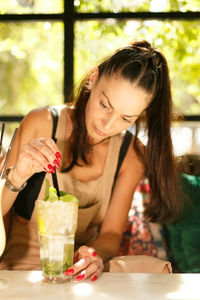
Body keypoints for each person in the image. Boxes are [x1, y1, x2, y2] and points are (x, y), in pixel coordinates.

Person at [0, 40, 179, 280]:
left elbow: (111, 235)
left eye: (126, 119)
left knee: (156, 272)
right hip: (17, 273)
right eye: (105, 105)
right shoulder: (41, 123)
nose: (107, 125)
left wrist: (93, 255)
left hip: (76, 276)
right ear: (93, 79)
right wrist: (16, 176)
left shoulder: (132, 155)